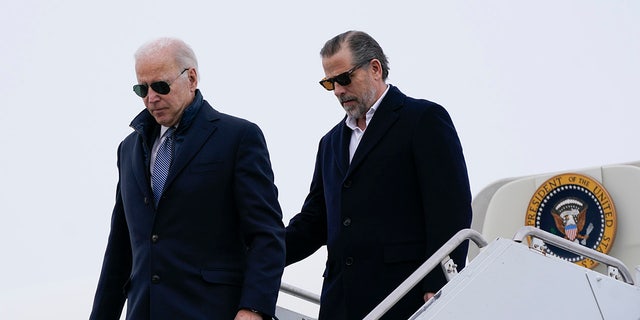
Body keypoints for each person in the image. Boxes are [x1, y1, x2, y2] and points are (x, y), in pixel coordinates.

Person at [90, 37, 285, 320]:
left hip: (212, 311)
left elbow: (266, 233)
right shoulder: (128, 149)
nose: (151, 98)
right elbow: (120, 250)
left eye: (160, 86)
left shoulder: (238, 137)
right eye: (141, 89)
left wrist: (254, 308)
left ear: (191, 78)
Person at [285, 30, 473, 319]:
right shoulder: (329, 143)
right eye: (329, 83)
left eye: (344, 79)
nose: (337, 90)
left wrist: (438, 285)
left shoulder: (423, 120)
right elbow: (314, 223)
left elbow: (450, 210)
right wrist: (259, 253)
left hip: (405, 299)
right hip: (340, 304)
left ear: (375, 68)